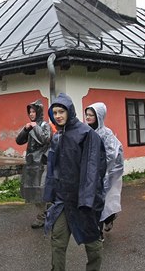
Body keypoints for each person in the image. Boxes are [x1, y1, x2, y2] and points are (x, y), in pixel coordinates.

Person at [43, 93, 106, 271]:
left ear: (69, 111)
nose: (58, 116)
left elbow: (92, 171)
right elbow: (53, 169)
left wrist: (87, 201)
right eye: (54, 113)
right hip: (63, 201)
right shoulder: (58, 136)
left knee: (92, 242)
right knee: (58, 240)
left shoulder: (87, 135)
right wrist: (51, 195)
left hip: (83, 201)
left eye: (61, 111)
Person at [84, 103, 124, 241]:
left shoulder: (106, 134)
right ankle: (105, 221)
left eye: (91, 115)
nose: (88, 117)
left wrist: (102, 171)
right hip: (91, 174)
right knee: (97, 202)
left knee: (100, 201)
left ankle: (100, 229)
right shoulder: (86, 131)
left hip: (105, 173)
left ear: (99, 116)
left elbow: (112, 154)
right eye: (87, 114)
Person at [16, 99, 52, 229]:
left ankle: (43, 216)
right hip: (31, 162)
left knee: (41, 190)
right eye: (29, 112)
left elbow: (45, 139)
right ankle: (45, 213)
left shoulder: (44, 125)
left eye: (33, 111)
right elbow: (19, 141)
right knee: (34, 190)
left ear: (39, 112)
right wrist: (25, 130)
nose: (31, 114)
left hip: (42, 162)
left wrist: (35, 126)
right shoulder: (30, 126)